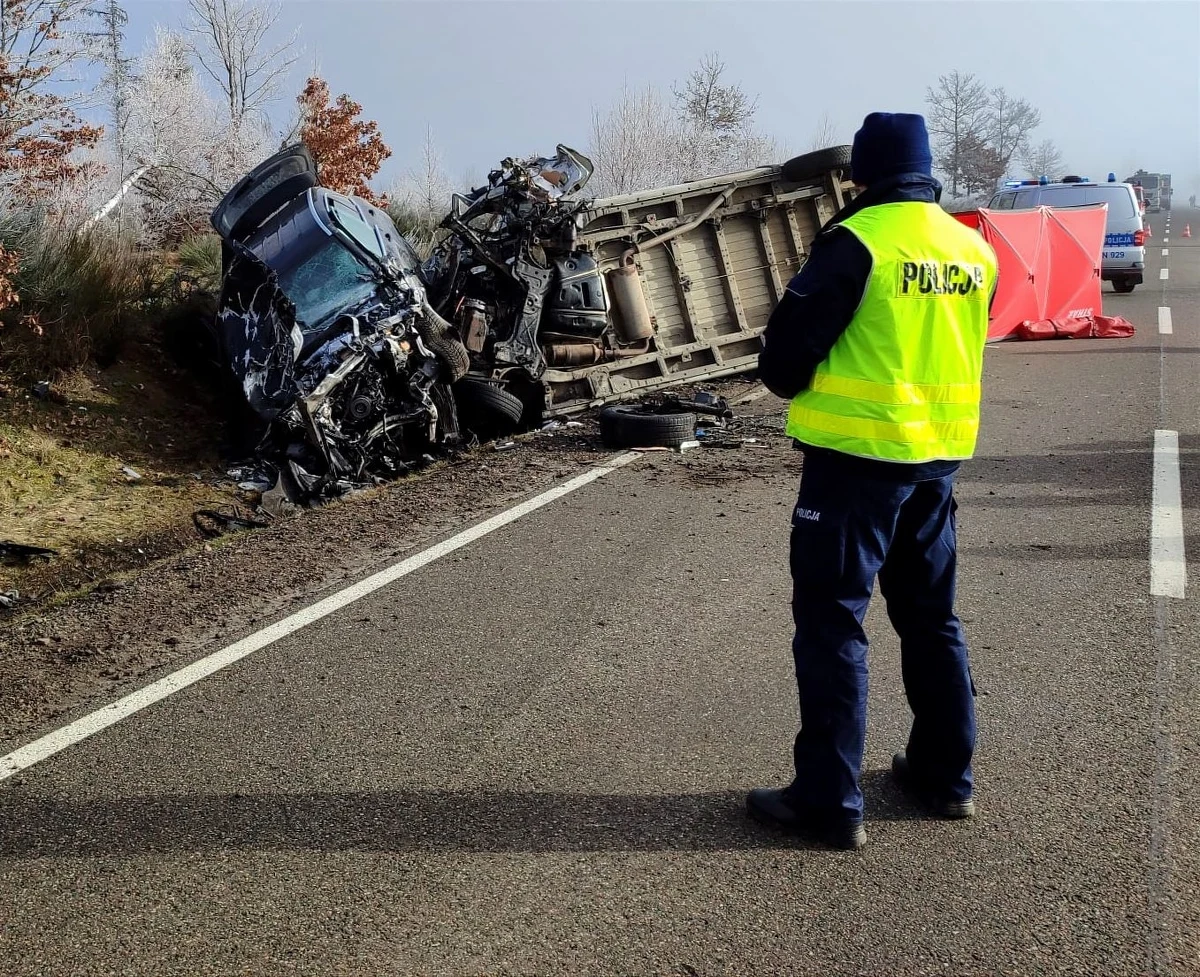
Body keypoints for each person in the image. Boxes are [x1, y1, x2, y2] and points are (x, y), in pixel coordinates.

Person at [747, 112, 998, 851]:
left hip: (854, 467)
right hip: (936, 464)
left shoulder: (857, 242)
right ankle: (944, 777)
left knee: (832, 624)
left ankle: (829, 799)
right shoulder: (973, 248)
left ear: (860, 174)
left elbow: (782, 364)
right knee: (931, 618)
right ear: (927, 171)